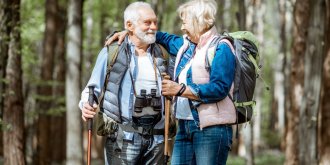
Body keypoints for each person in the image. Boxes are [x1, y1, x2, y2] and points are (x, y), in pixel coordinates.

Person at [106, 0, 236, 164]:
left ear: (198, 21)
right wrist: (128, 31)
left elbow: (219, 89)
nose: (182, 27)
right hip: (185, 127)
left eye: (184, 22)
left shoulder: (221, 48)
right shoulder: (186, 46)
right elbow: (159, 36)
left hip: (211, 130)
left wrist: (180, 90)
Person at [79, 2, 174, 164]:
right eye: (147, 22)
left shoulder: (163, 54)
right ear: (129, 25)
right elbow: (92, 88)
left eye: (155, 22)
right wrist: (85, 105)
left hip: (158, 139)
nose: (153, 27)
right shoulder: (112, 52)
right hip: (123, 138)